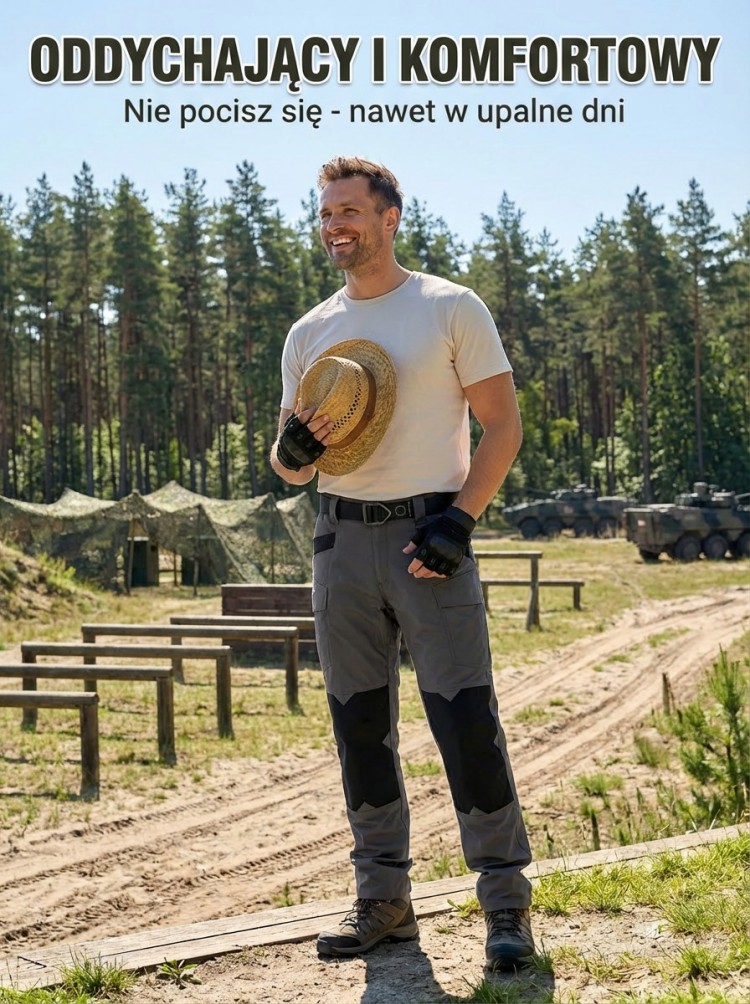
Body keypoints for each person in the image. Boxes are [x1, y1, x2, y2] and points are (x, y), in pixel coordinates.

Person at [270, 156, 534, 972]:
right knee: (359, 729)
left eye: (349, 210)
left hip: (431, 539)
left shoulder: (450, 308)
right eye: (325, 214)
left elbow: (503, 428)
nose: (335, 225)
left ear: (390, 218)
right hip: (339, 543)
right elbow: (291, 467)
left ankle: (505, 909)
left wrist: (459, 518)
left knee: (464, 719)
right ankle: (383, 901)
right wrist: (290, 451)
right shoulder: (310, 332)